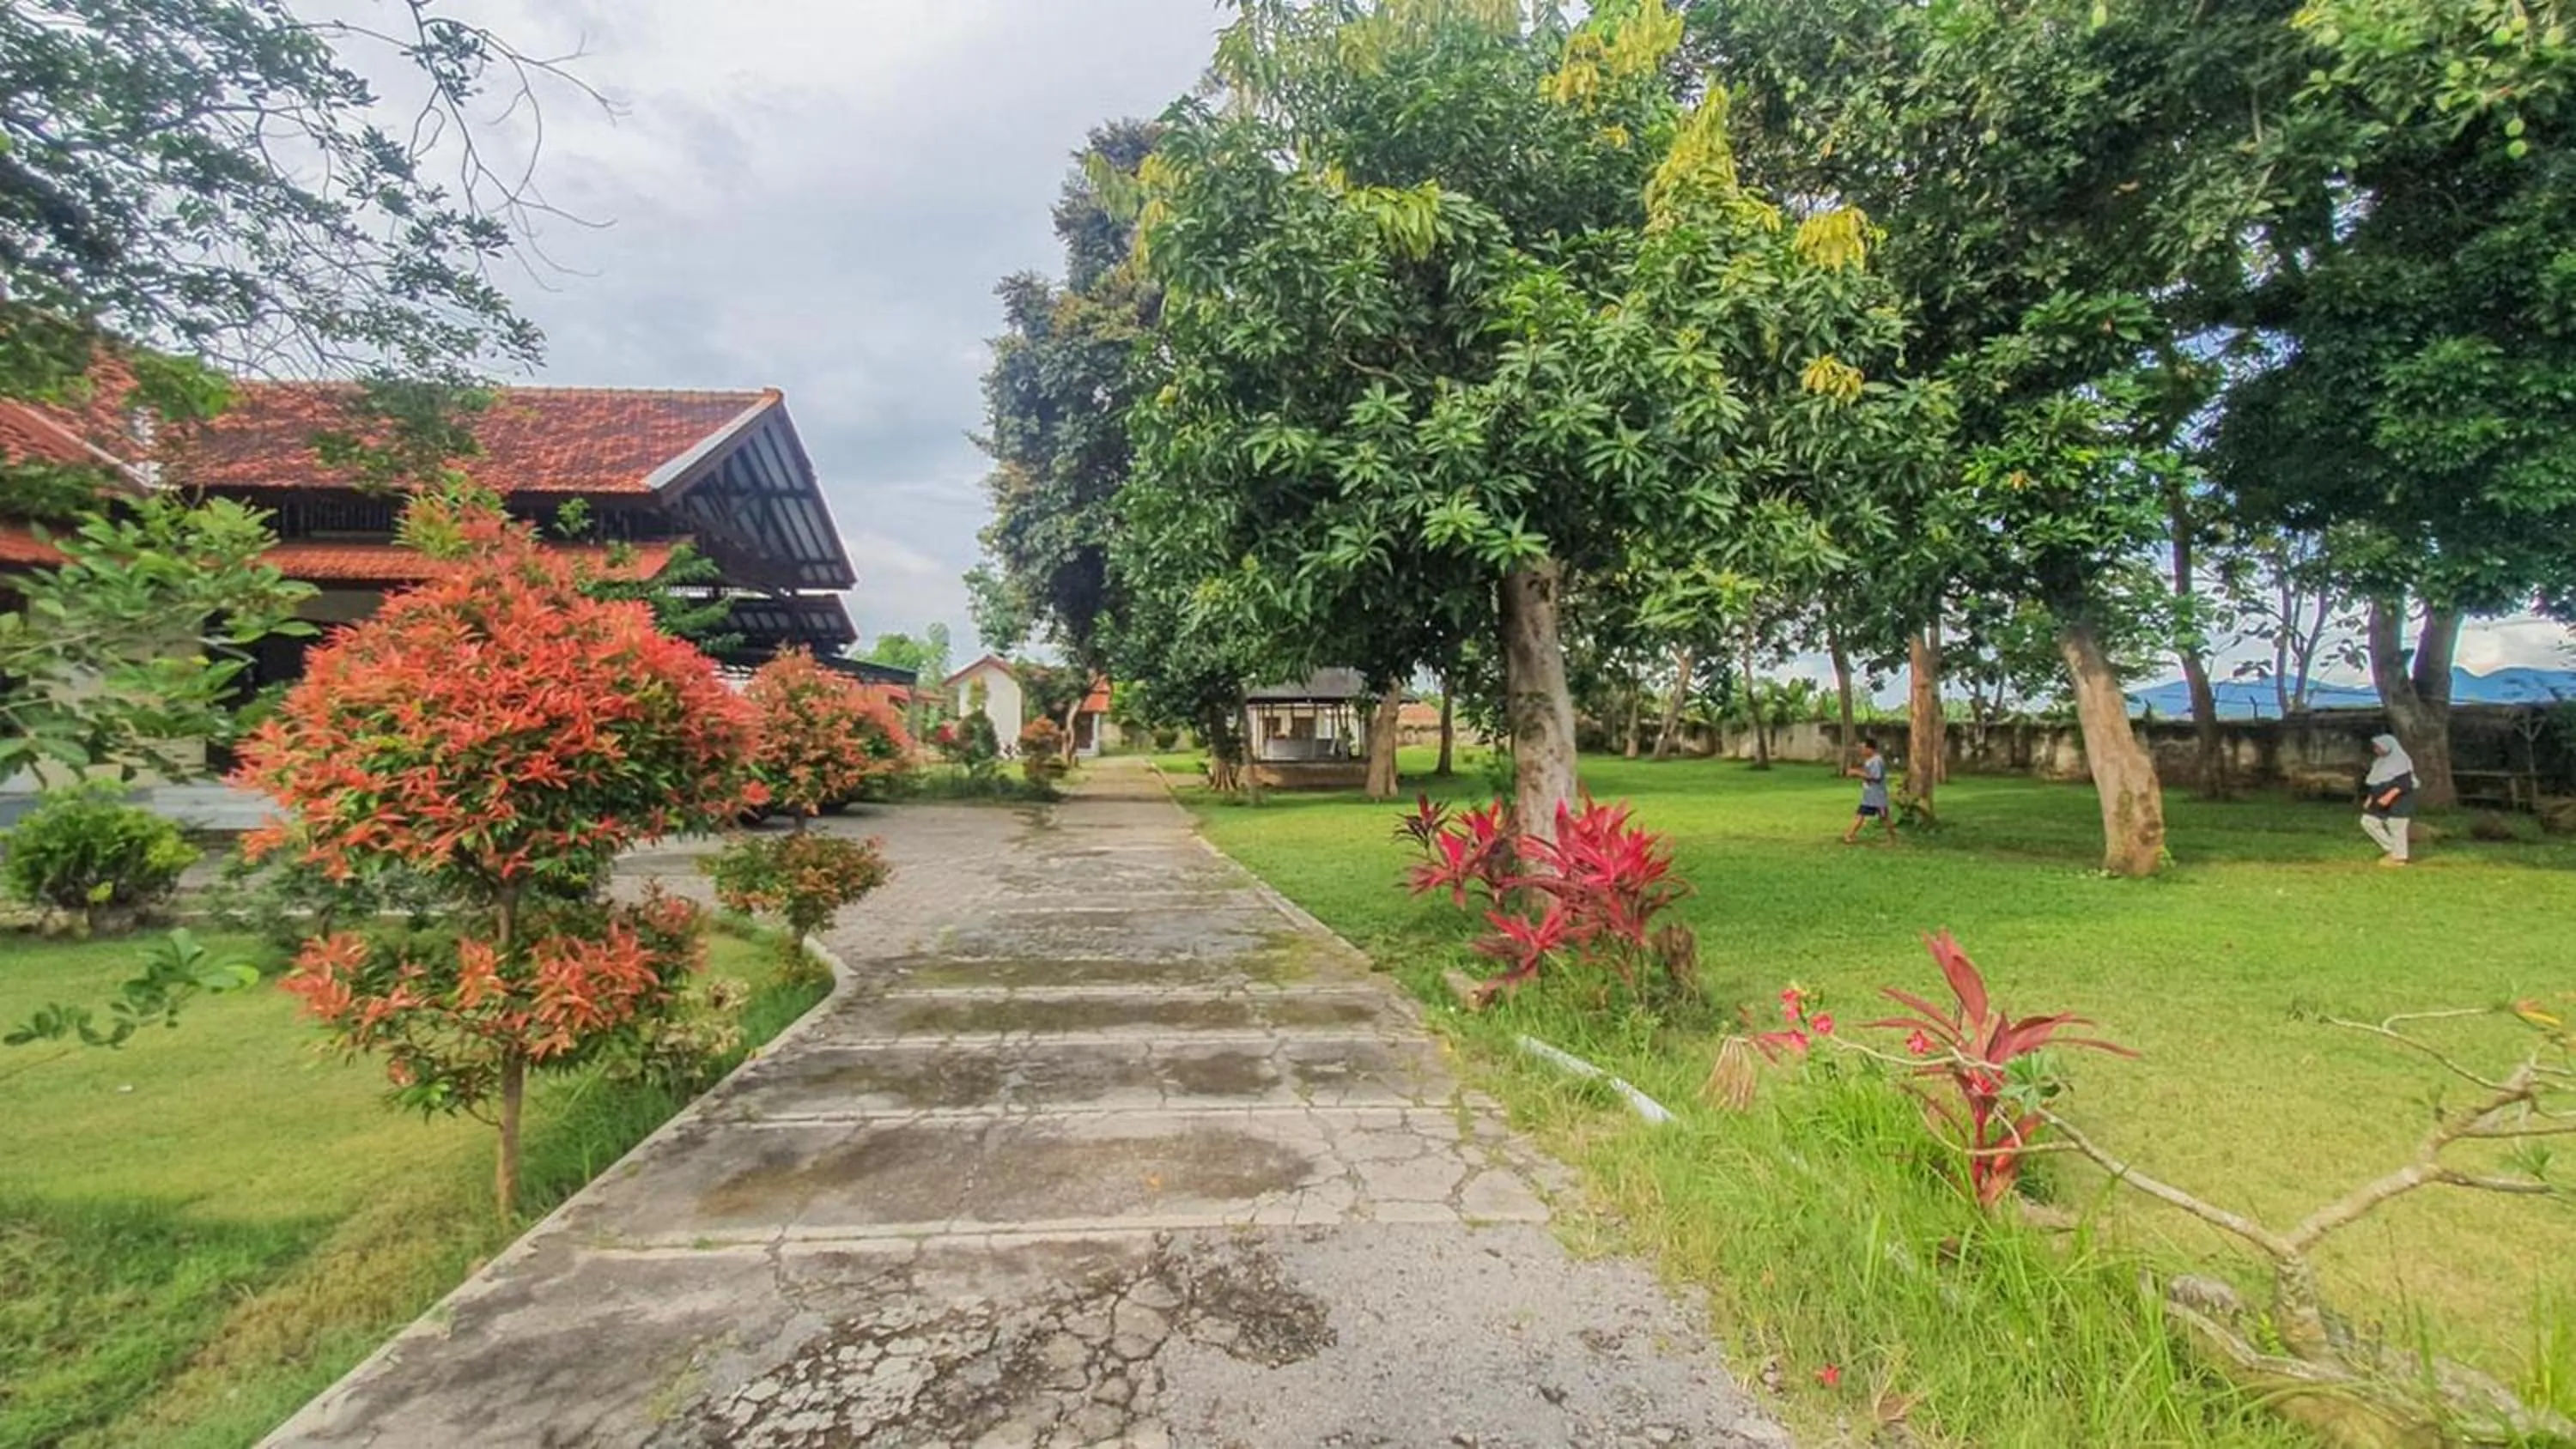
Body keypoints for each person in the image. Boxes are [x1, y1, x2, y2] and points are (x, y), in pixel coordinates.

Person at [2360, 733, 2417, 867]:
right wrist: (2370, 798)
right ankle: (2392, 849)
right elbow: (2376, 783)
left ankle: (2399, 858)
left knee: (2397, 826)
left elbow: (2404, 783)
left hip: (2399, 800)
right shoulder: (2379, 763)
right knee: (2368, 821)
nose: (2376, 750)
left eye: (2379, 747)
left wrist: (2389, 796)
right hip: (2380, 800)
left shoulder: (2401, 761)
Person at [1843, 737, 1896, 846]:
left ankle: (1892, 839)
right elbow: (1868, 775)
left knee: (1884, 817)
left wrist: (1857, 773)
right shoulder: (1870, 760)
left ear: (1870, 749)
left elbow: (1876, 777)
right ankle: (1849, 835)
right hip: (1870, 796)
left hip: (1877, 796)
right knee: (1861, 814)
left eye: (1863, 748)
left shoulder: (1876, 760)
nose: (1862, 750)